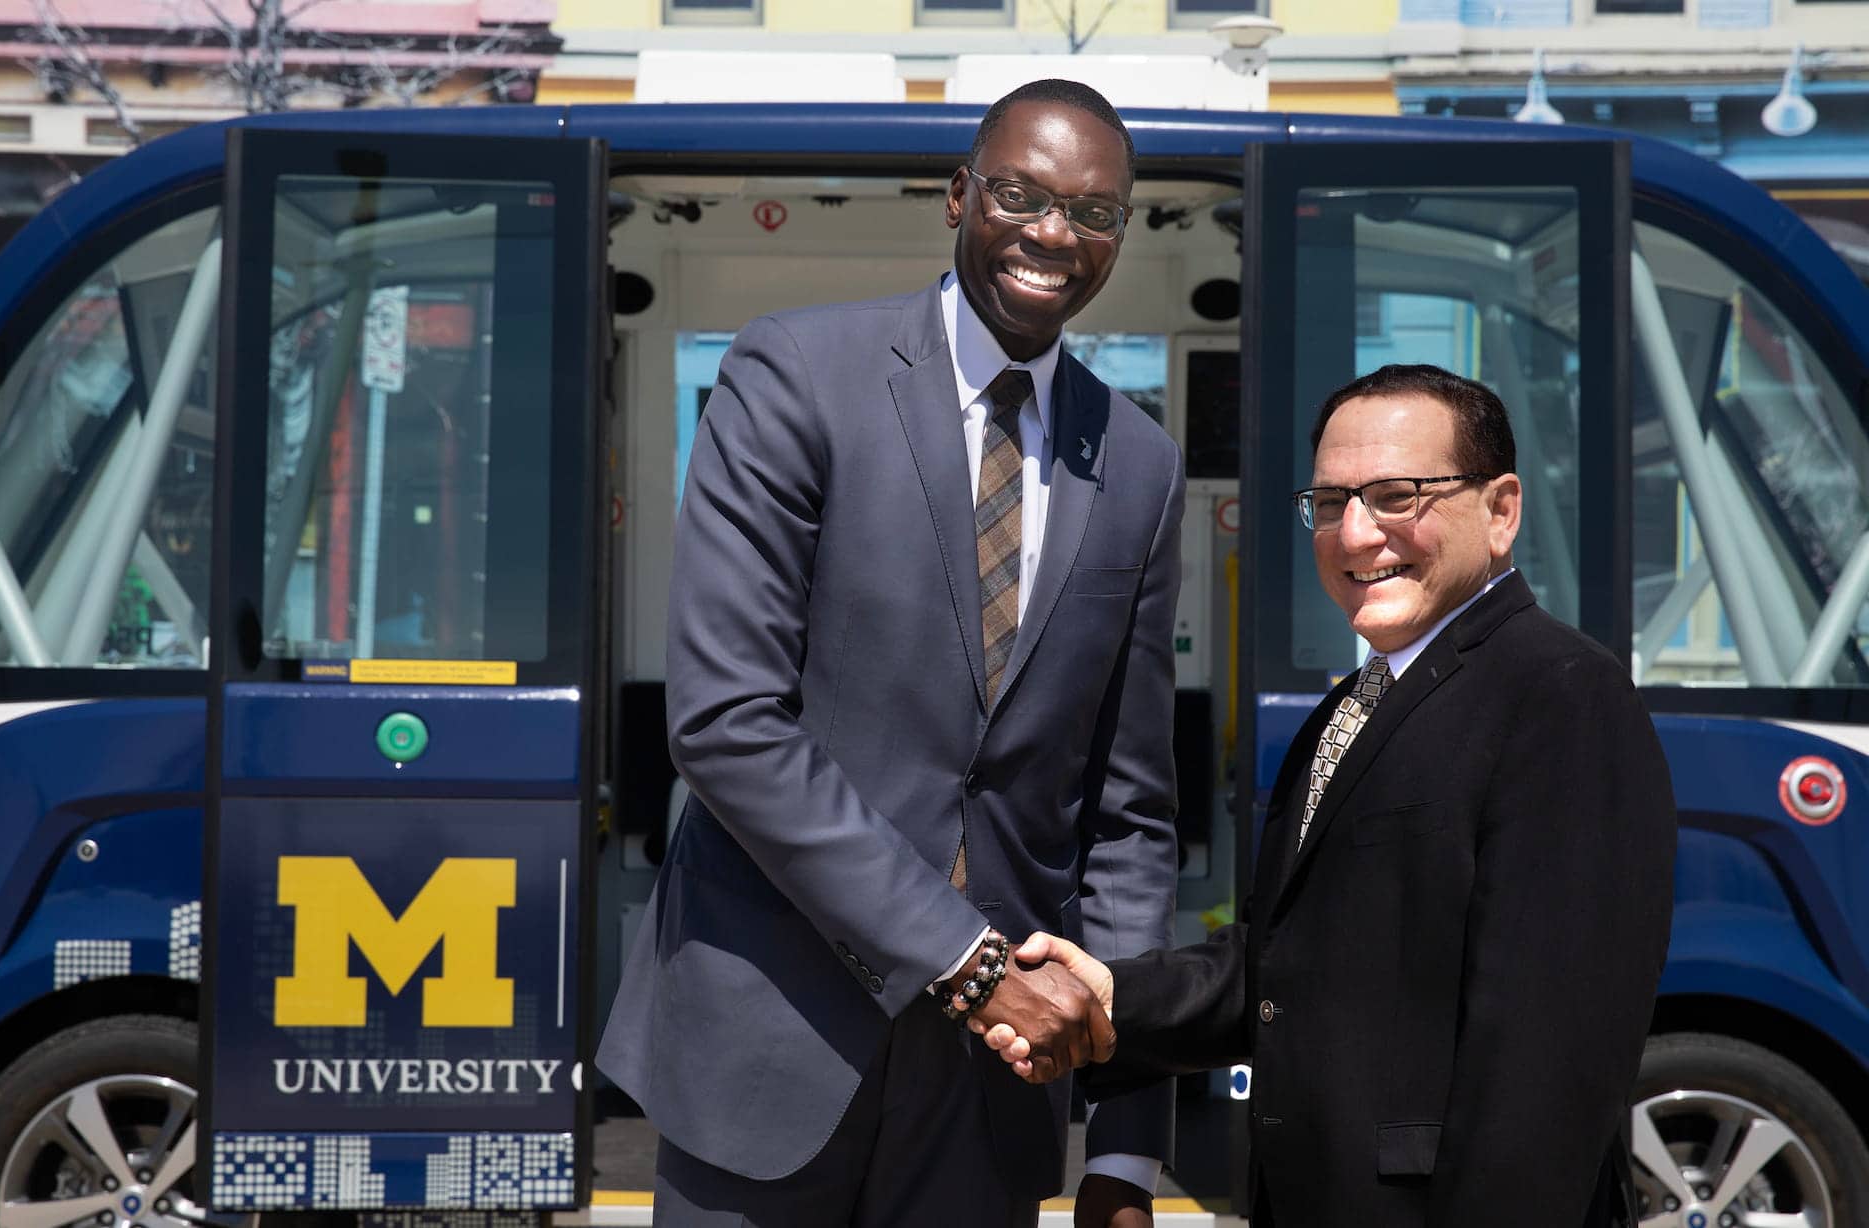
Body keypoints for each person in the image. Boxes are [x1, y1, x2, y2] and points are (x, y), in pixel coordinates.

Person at [596, 78, 1182, 1227]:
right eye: (1021, 194)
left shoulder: (1142, 464)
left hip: (994, 1102)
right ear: (962, 195)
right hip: (768, 1049)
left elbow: (1129, 816)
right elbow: (725, 723)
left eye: (1096, 212)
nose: (1055, 234)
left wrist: (1126, 1145)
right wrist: (965, 959)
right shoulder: (795, 377)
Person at [985, 364, 1677, 1228]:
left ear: (1501, 511)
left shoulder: (1563, 697)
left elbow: (1545, 1073)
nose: (1355, 535)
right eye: (1329, 502)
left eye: (1396, 496)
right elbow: (1295, 967)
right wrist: (1110, 996)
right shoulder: (1350, 709)